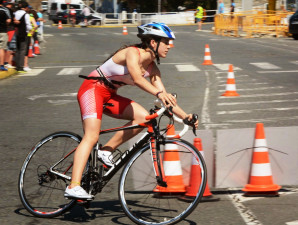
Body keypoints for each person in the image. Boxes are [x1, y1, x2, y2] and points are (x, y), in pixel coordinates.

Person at [64, 22, 198, 199]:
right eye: (166, 42)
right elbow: (137, 78)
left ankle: (106, 150)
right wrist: (158, 92)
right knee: (92, 136)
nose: (169, 46)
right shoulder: (132, 53)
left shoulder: (152, 67)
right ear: (152, 42)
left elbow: (165, 97)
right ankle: (73, 185)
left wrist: (185, 116)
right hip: (92, 89)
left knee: (144, 118)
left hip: (109, 95)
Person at [14, 1, 31, 73]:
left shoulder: (15, 13)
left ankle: (17, 65)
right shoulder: (26, 15)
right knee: (22, 50)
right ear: (26, 7)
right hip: (23, 34)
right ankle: (21, 67)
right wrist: (29, 30)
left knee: (17, 50)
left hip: (16, 33)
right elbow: (28, 25)